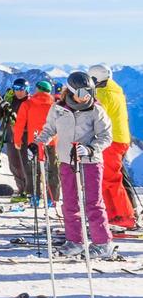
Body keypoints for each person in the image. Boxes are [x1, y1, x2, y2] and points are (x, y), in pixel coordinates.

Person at [32, 71, 117, 259]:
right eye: (81, 93)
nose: (85, 97)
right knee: (70, 202)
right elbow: (49, 129)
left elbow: (106, 137)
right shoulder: (58, 108)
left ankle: (103, 243)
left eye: (88, 92)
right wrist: (39, 142)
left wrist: (90, 149)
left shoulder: (96, 110)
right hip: (66, 161)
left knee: (93, 202)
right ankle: (75, 241)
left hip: (90, 162)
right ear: (70, 92)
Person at [89, 64, 136, 232]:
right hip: (121, 138)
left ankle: (124, 217)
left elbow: (96, 117)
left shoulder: (102, 94)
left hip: (111, 140)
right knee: (111, 178)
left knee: (110, 179)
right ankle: (113, 214)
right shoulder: (116, 91)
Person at [14, 80, 60, 202]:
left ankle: (34, 196)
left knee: (34, 170)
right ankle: (52, 198)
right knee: (52, 170)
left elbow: (19, 124)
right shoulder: (55, 104)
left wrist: (17, 140)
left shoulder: (28, 104)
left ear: (38, 89)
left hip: (33, 142)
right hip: (52, 142)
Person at [0, 78, 30, 193]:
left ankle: (29, 190)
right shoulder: (10, 100)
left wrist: (19, 126)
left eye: (22, 89)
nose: (19, 91)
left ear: (27, 90)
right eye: (16, 89)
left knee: (25, 165)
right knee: (14, 165)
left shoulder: (29, 102)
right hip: (11, 137)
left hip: (25, 137)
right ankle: (21, 188)